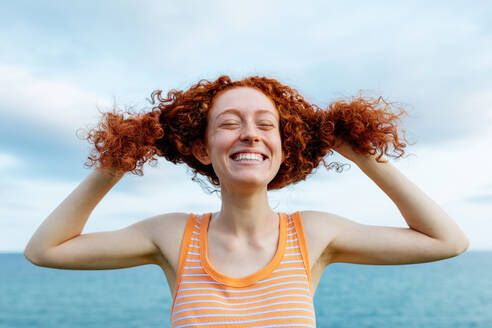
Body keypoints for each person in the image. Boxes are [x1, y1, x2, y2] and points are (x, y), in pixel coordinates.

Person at [24, 75, 469, 327]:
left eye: (264, 124)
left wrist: (361, 154)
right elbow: (45, 251)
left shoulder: (312, 233)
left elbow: (446, 241)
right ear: (202, 150)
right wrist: (119, 159)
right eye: (230, 123)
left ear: (283, 146)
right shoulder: (172, 234)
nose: (250, 133)